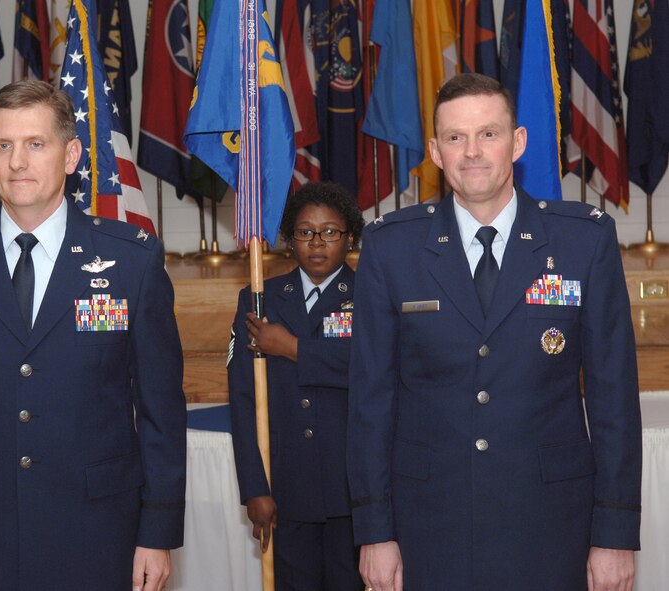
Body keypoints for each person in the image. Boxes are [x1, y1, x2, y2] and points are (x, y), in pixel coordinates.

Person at [347, 73, 642, 591]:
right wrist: (374, 532)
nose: (473, 152)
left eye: (489, 133)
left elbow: (613, 399)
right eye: (456, 138)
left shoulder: (582, 242)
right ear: (436, 152)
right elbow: (370, 403)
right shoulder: (390, 249)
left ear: (518, 142)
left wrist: (614, 534)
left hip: (552, 528)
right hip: (427, 530)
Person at [0, 80, 186, 591]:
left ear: (71, 153)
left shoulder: (131, 261)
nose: (18, 163)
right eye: (3, 145)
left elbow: (161, 411)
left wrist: (158, 531)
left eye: (36, 144)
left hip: (100, 532)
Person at [228, 182, 365, 590]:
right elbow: (243, 399)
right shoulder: (260, 300)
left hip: (352, 489)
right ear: (290, 240)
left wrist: (293, 349)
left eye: (329, 232)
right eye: (305, 232)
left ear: (350, 237)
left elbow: (373, 372)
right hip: (286, 488)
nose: (317, 243)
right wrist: (255, 487)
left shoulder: (372, 296)